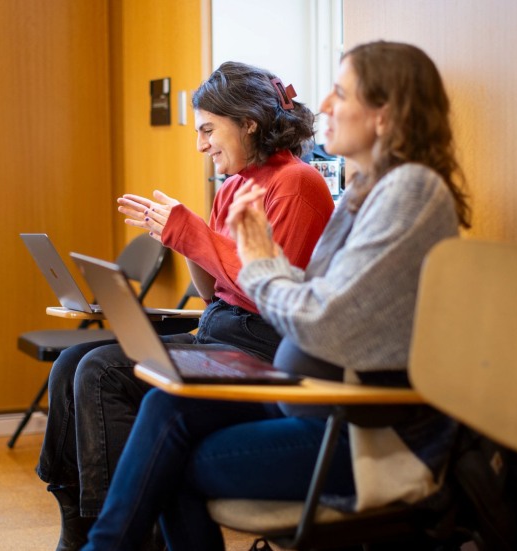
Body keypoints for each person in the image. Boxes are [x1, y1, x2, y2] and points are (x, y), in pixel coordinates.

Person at [79, 41, 473, 551]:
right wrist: (219, 246)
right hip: (314, 404)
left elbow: (318, 319)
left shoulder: (409, 192)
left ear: (384, 115)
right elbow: (317, 300)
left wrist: (260, 258)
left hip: (364, 429)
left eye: (340, 93)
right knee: (164, 408)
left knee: (169, 457)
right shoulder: (365, 192)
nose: (323, 106)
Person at [36, 61, 336, 551]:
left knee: (101, 372)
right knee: (71, 363)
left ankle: (126, 531)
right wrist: (180, 239)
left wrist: (192, 234)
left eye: (207, 130)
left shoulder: (297, 183)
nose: (201, 145)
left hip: (263, 344)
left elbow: (273, 291)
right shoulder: (234, 185)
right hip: (219, 332)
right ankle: (76, 514)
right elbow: (211, 290)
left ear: (248, 123)